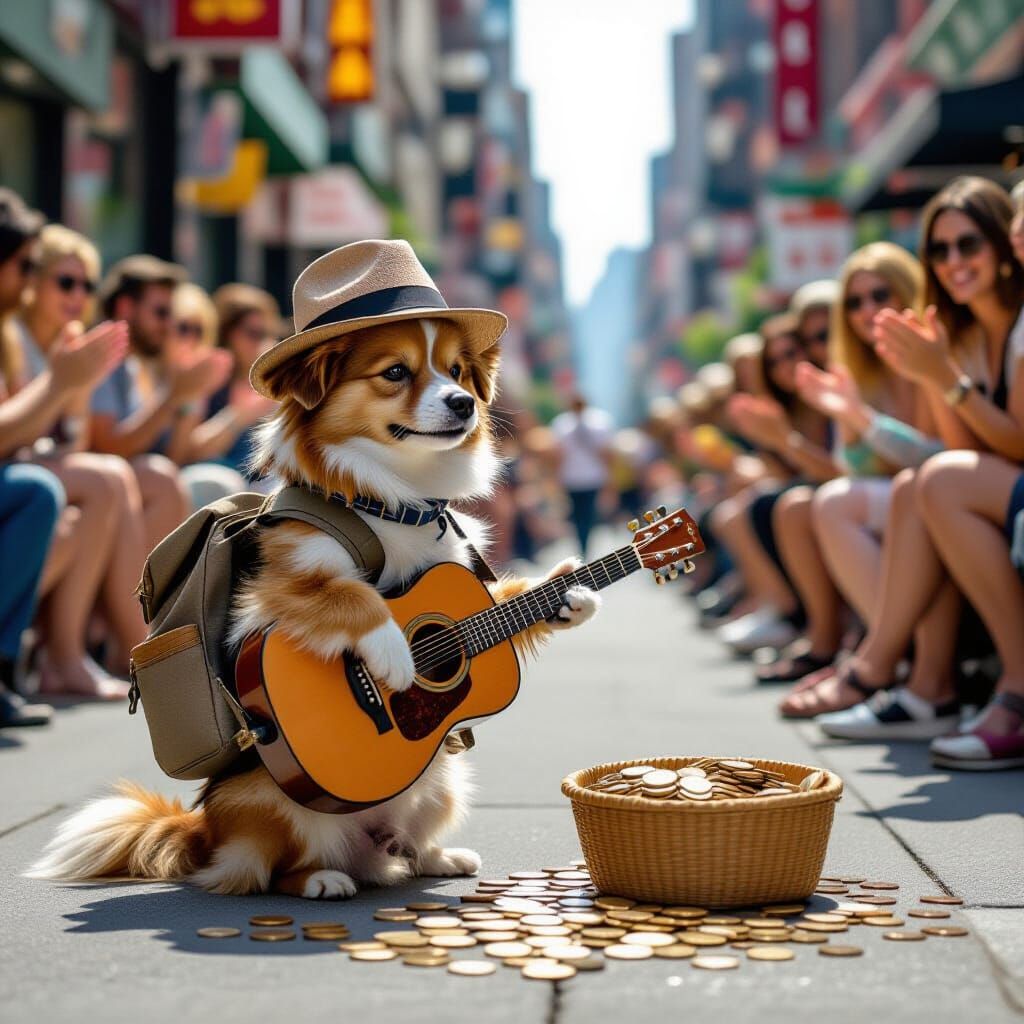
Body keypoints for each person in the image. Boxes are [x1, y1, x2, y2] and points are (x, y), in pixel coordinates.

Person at [787, 177, 1024, 756]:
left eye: (968, 244)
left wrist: (934, 381)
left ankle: (890, 667)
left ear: (1001, 246)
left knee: (915, 486)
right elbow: (955, 451)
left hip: (987, 487)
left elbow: (996, 449)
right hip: (970, 491)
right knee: (913, 488)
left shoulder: (968, 337)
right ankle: (913, 680)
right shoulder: (953, 340)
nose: (953, 262)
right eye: (939, 251)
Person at [761, 243, 927, 686]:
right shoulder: (856, 371)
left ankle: (886, 655)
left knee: (825, 503)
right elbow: (852, 470)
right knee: (800, 505)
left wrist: (854, 420)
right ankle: (846, 643)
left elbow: (937, 458)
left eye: (880, 295)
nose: (866, 310)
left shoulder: (919, 350)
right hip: (898, 501)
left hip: (925, 498)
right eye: (854, 302)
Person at [8, 225, 144, 696]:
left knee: (116, 482)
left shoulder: (59, 343)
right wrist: (64, 384)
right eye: (65, 282)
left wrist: (78, 389)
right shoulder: (13, 336)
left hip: (32, 472)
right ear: (31, 281)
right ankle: (108, 651)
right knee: (108, 479)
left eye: (86, 285)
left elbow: (74, 442)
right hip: (19, 473)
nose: (78, 295)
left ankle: (102, 649)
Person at [89, 255, 213, 549]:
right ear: (125, 307)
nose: (169, 326)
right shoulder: (101, 356)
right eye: (160, 313)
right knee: (162, 479)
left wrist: (185, 397)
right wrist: (174, 396)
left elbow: (175, 454)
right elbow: (108, 446)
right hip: (106, 486)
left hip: (121, 487)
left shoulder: (134, 365)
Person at [551, 394, 614, 557]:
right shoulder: (564, 424)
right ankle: (583, 544)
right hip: (579, 477)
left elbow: (605, 452)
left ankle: (583, 544)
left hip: (585, 476)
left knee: (584, 514)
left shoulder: (565, 423)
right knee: (582, 515)